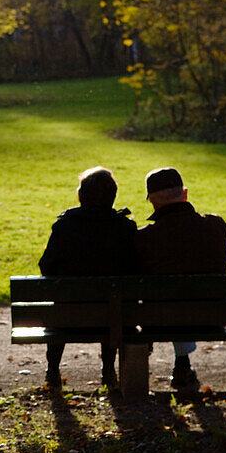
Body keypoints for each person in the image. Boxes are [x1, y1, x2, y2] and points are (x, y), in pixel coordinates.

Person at [39, 166, 138, 388]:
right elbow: (135, 268)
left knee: (61, 305)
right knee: (113, 302)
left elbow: (46, 266)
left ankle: (53, 370)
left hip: (67, 318)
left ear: (80, 197)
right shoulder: (126, 228)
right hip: (114, 318)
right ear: (114, 198)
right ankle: (108, 370)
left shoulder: (65, 226)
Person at [136, 166, 226, 391]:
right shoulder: (215, 227)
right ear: (185, 194)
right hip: (211, 317)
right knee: (182, 302)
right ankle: (182, 366)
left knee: (167, 303)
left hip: (157, 322)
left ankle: (170, 365)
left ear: (152, 202)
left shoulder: (144, 238)